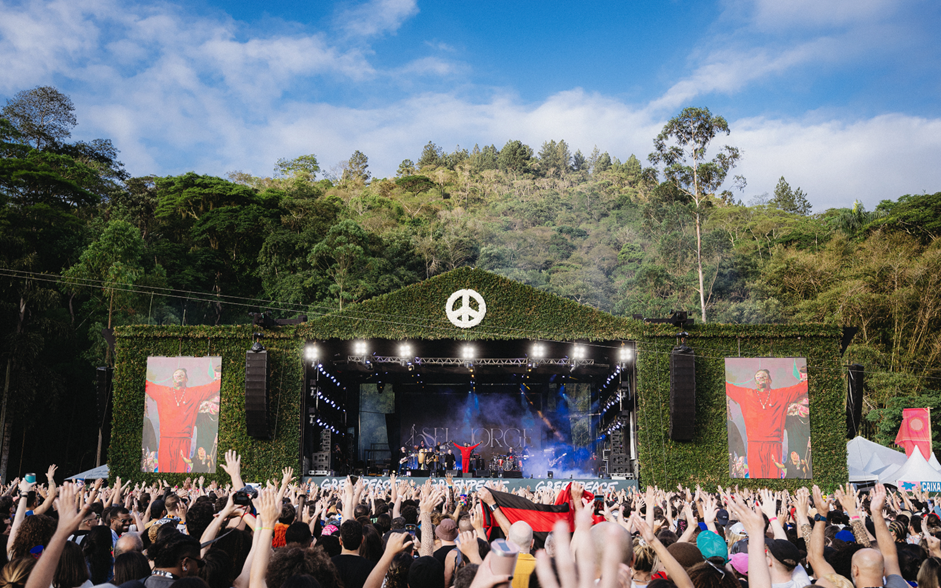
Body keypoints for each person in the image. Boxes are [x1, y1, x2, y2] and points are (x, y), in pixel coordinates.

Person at [725, 368, 807, 478]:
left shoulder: (781, 394)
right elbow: (727, 387)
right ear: (755, 381)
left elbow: (799, 389)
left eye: (764, 376)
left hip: (774, 444)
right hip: (754, 445)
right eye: (758, 377)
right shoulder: (746, 394)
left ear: (770, 380)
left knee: (774, 478)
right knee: (756, 480)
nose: (761, 378)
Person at [145, 368, 221, 473]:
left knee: (181, 474)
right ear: (172, 379)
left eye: (182, 374)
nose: (179, 376)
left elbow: (211, 388)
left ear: (186, 379)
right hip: (165, 441)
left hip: (184, 441)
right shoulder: (163, 391)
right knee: (164, 474)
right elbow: (146, 385)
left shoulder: (194, 393)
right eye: (176, 374)